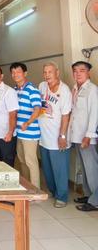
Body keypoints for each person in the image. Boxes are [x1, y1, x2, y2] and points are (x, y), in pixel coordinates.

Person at [38, 62, 72, 207]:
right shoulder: (42, 86)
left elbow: (66, 115)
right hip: (43, 137)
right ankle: (53, 191)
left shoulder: (65, 91)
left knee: (60, 169)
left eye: (50, 72)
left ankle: (62, 197)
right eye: (45, 72)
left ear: (57, 72)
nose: (47, 75)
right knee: (47, 169)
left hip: (57, 138)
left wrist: (62, 136)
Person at [68, 61, 98, 212]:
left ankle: (96, 201)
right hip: (77, 136)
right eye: (75, 71)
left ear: (88, 73)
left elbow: (94, 114)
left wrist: (88, 136)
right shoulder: (75, 88)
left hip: (87, 138)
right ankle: (89, 195)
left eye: (82, 70)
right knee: (84, 169)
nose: (78, 73)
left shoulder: (92, 90)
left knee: (92, 170)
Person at [10, 62, 42, 188]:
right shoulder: (15, 90)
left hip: (30, 132)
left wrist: (28, 122)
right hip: (19, 131)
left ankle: (35, 190)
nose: (15, 75)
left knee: (31, 161)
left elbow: (37, 109)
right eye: (13, 72)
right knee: (22, 160)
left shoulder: (31, 89)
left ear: (25, 73)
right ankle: (27, 186)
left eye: (18, 72)